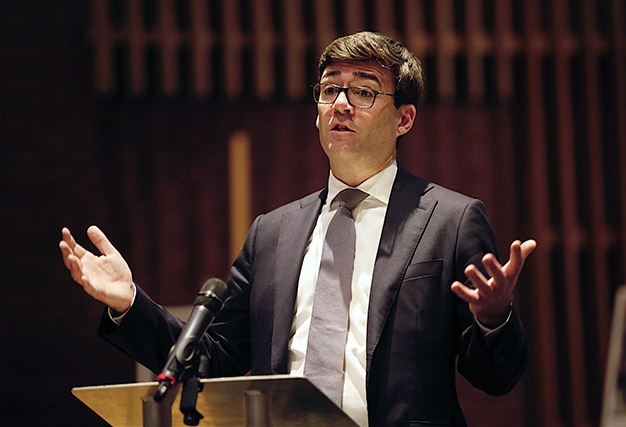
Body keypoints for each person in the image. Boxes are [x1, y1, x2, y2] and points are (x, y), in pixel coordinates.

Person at [60, 31, 537, 426]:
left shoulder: (450, 220)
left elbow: (495, 378)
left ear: (404, 119)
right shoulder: (273, 232)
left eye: (364, 91)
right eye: (330, 89)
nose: (342, 103)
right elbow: (216, 358)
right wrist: (129, 303)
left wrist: (494, 320)